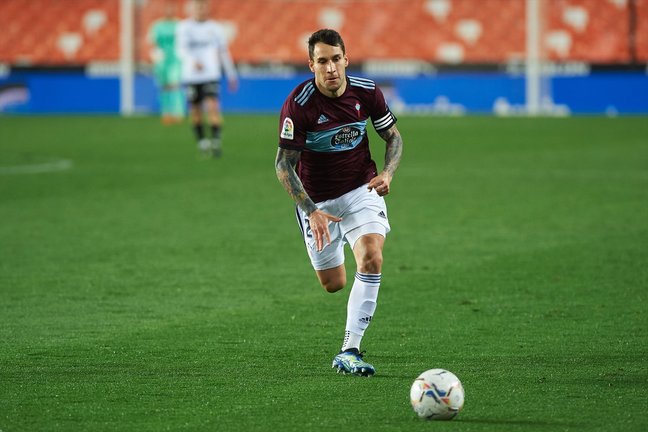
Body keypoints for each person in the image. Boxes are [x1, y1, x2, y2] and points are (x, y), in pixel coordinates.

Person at [274, 29, 403, 377]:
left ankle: (350, 350)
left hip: (362, 188)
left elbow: (392, 136)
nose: (330, 68)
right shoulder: (298, 105)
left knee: (372, 257)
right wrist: (311, 211)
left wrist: (388, 173)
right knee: (333, 284)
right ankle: (330, 238)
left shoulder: (367, 91)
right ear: (311, 65)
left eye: (335, 59)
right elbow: (283, 163)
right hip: (319, 203)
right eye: (322, 61)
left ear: (346, 58)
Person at [176, 0, 238, 157]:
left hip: (211, 74)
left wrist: (231, 74)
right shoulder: (184, 27)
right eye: (197, 7)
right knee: (195, 111)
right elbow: (180, 50)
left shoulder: (215, 28)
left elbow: (224, 52)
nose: (200, 10)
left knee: (212, 106)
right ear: (192, 9)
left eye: (203, 7)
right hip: (191, 76)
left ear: (207, 9)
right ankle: (202, 142)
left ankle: (216, 143)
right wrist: (193, 62)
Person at [147, 1, 185, 124]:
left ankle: (178, 113)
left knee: (175, 85)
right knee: (164, 87)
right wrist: (155, 57)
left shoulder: (180, 25)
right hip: (162, 61)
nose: (169, 11)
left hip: (176, 60)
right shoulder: (157, 26)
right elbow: (152, 44)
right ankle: (166, 113)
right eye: (167, 9)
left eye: (171, 9)